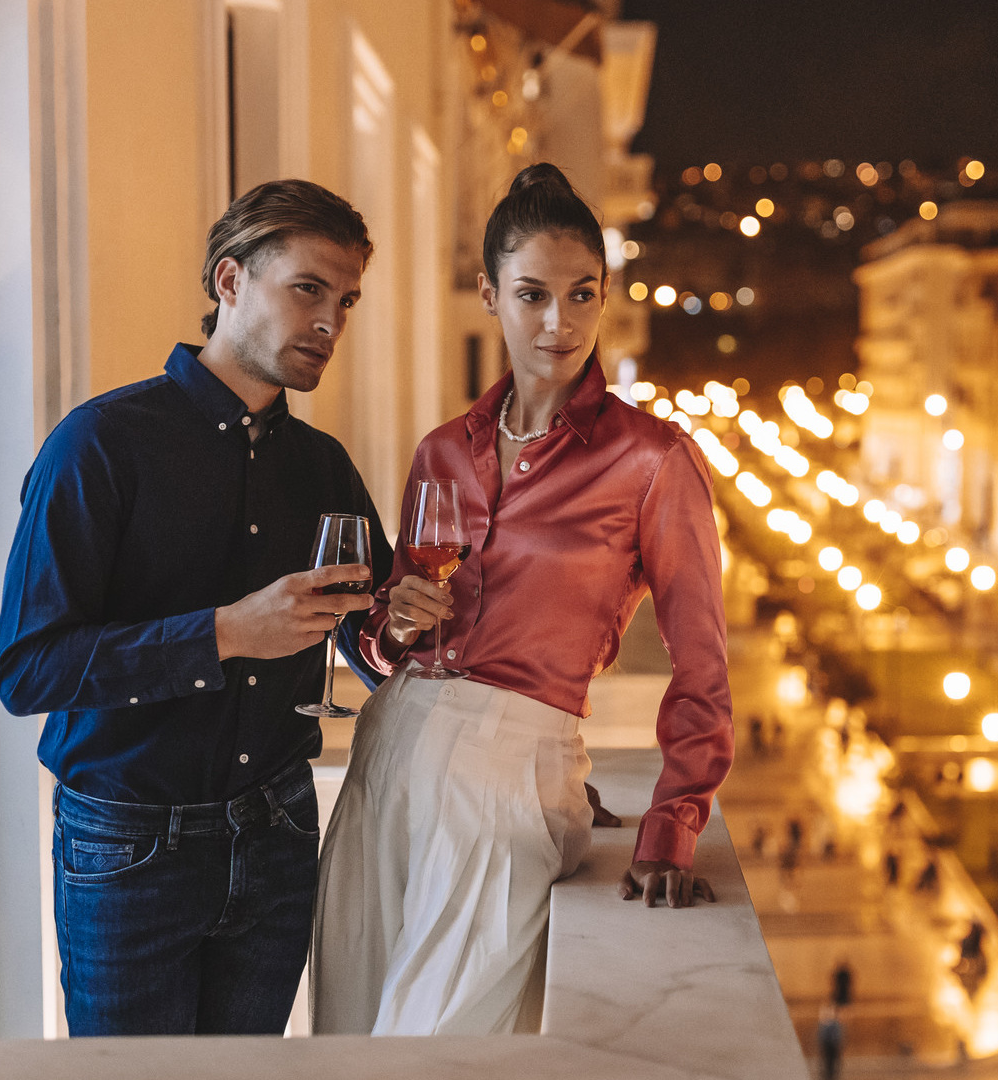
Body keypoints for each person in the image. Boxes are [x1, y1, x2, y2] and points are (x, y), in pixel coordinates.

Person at [311, 163, 734, 1035]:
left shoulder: (652, 462)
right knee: (351, 1040)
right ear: (489, 295)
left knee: (435, 1046)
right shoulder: (441, 452)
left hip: (513, 778)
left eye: (583, 295)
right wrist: (393, 628)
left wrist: (672, 826)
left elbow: (704, 664)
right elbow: (392, 641)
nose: (559, 321)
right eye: (533, 294)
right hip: (389, 756)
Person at [0, 180, 388, 1035]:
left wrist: (408, 623)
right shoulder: (99, 445)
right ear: (229, 282)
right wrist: (225, 634)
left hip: (280, 833)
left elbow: (373, 639)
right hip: (130, 849)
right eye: (308, 289)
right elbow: (28, 670)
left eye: (346, 300)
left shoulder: (323, 467)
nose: (331, 321)